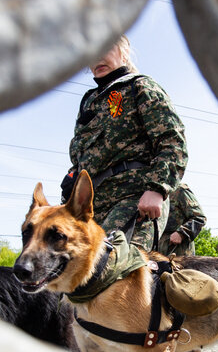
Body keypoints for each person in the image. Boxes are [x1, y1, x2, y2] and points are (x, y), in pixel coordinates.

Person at [62, 35, 187, 251]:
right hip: (92, 205)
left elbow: (172, 140)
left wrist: (157, 189)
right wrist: (72, 180)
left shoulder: (140, 87)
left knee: (114, 265)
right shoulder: (90, 101)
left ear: (124, 51)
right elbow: (80, 156)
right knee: (72, 272)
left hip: (134, 198)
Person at [158, 182, 207, 256]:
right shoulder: (151, 193)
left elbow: (199, 218)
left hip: (177, 251)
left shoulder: (179, 190)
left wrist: (182, 233)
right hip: (156, 251)